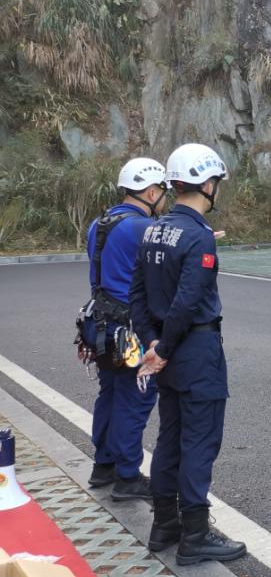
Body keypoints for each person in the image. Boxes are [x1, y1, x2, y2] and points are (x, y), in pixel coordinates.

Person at [131, 143, 246, 565]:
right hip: (194, 348)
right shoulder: (197, 236)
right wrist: (165, 346)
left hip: (166, 348)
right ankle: (195, 534)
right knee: (200, 440)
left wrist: (152, 343)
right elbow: (188, 299)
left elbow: (137, 293)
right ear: (209, 183)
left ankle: (165, 524)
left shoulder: (153, 230)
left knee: (170, 438)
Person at [84, 157, 167, 501]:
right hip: (129, 330)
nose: (164, 198)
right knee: (135, 398)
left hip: (99, 324)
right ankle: (127, 476)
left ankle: (103, 465)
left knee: (111, 394)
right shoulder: (142, 228)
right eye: (162, 192)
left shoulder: (99, 223)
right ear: (150, 191)